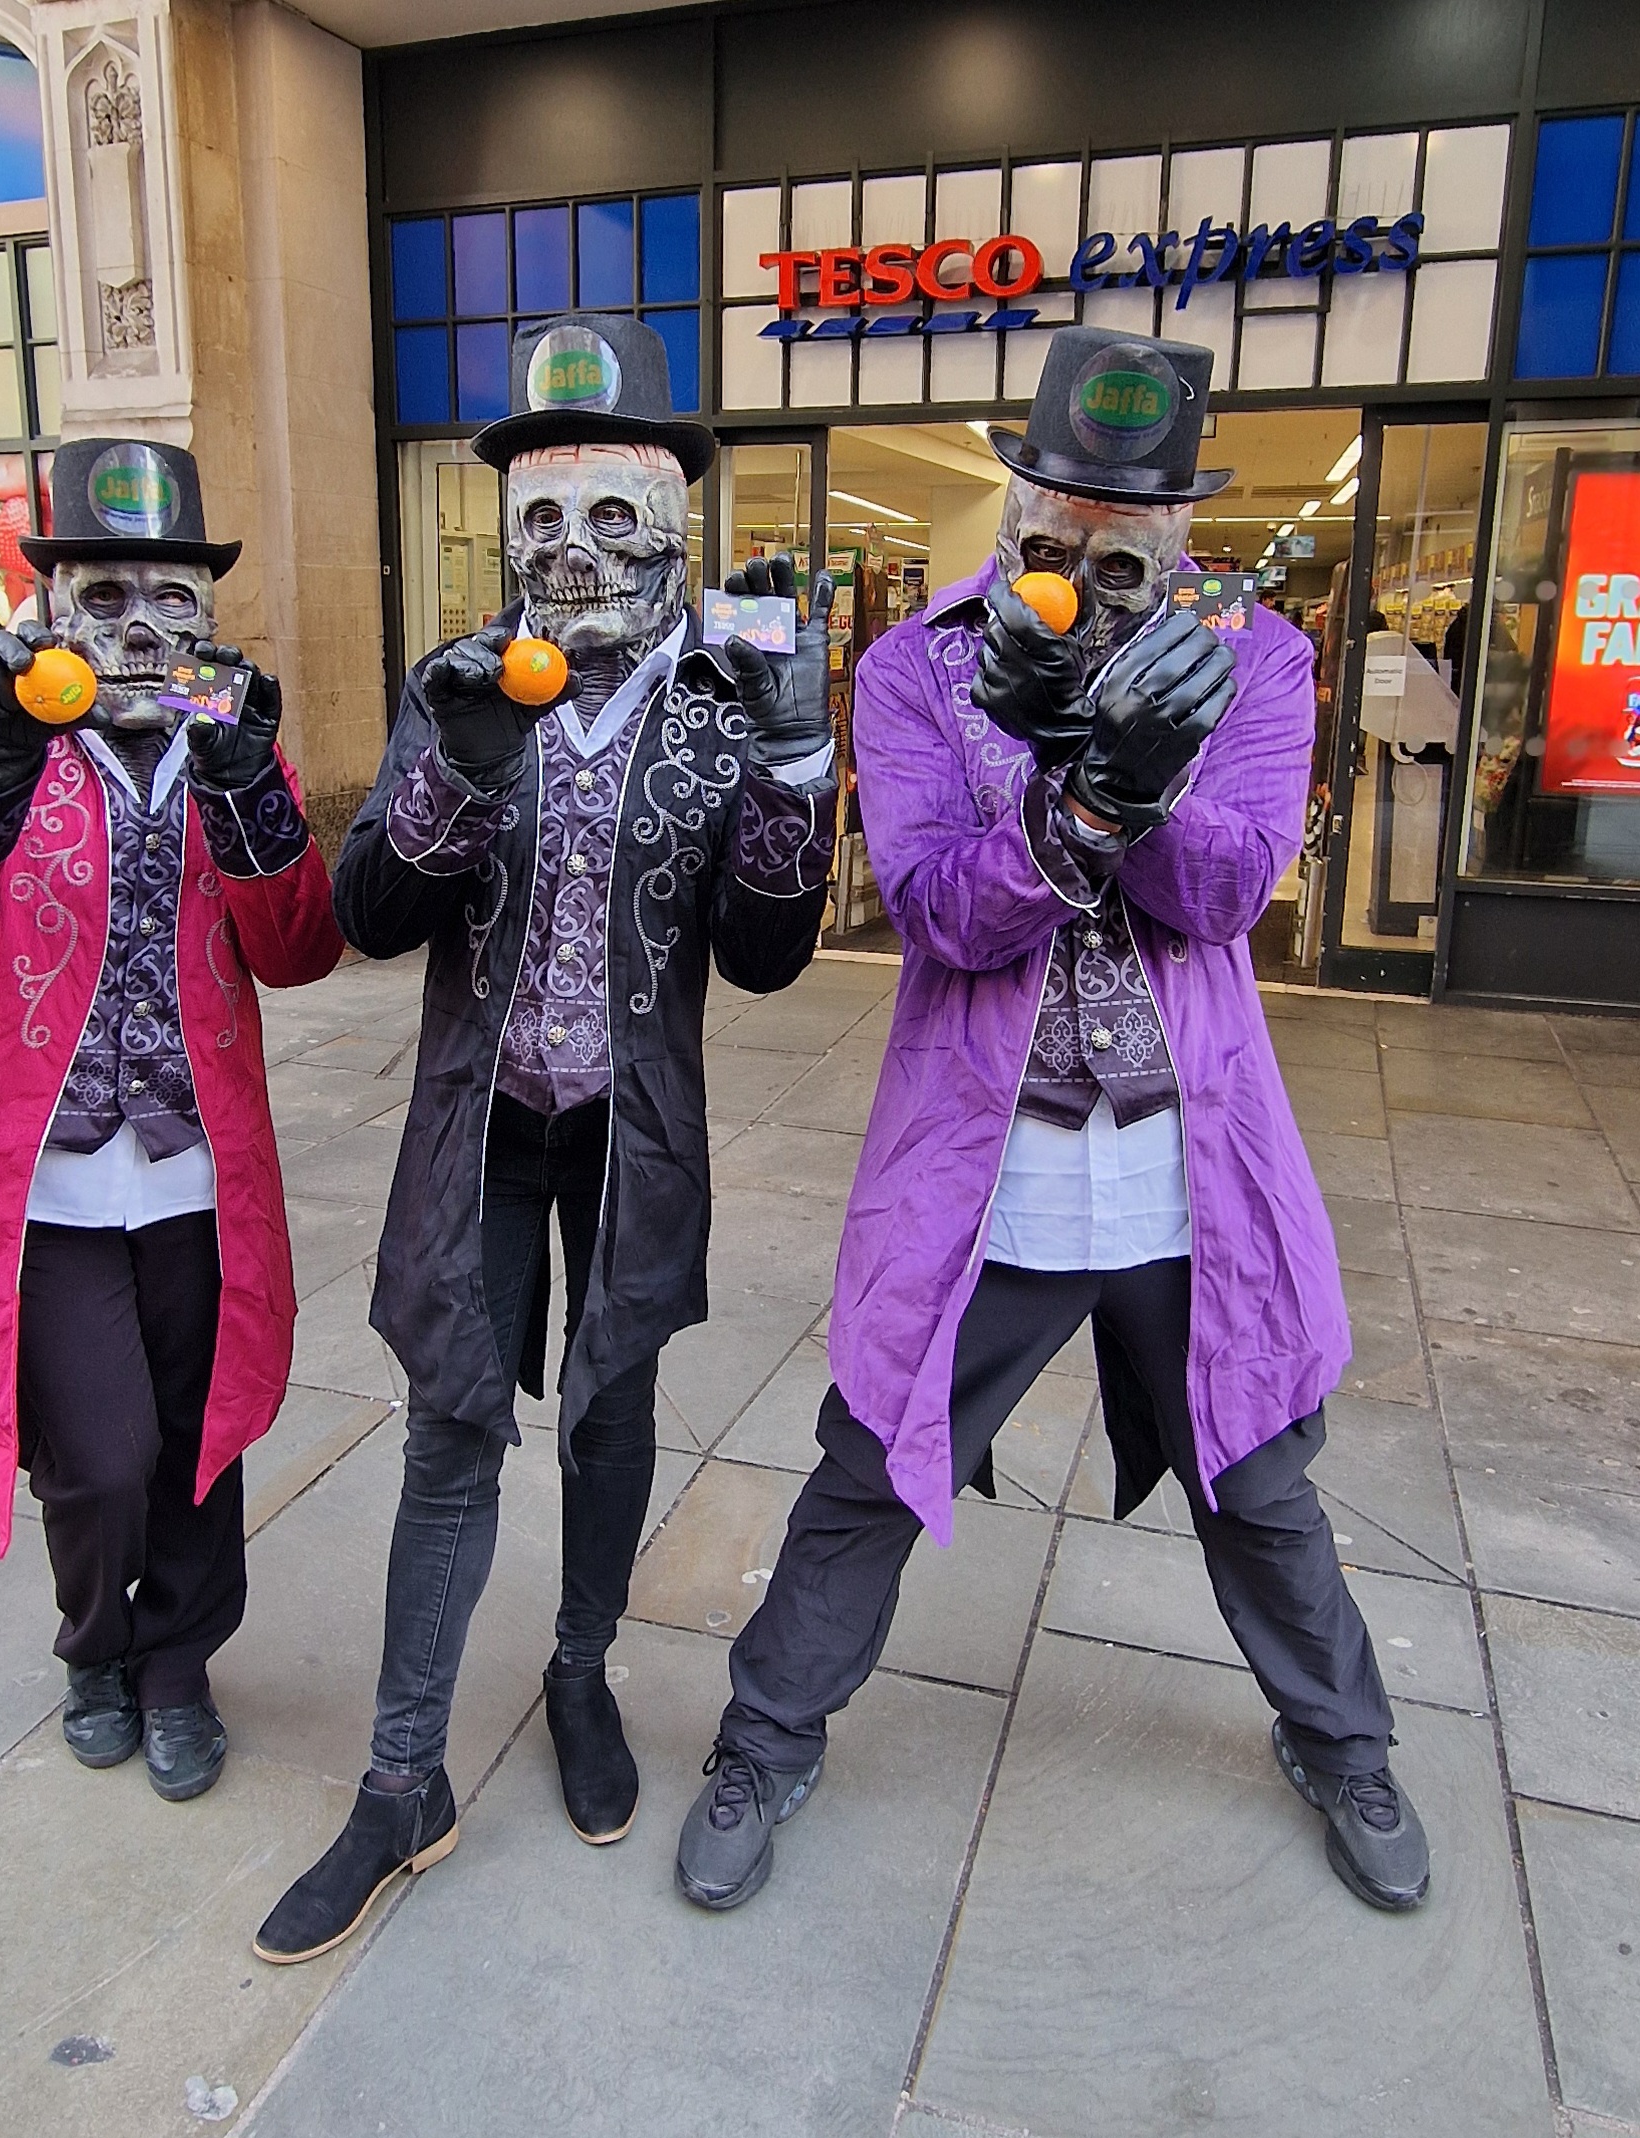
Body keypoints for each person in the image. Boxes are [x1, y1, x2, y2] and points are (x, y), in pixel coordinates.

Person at [673, 327, 1432, 1919]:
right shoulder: (915, 665)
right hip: (985, 1168)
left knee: (1264, 1482)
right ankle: (766, 1734)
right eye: (1050, 528)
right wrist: (1068, 796)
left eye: (1119, 537)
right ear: (1014, 500)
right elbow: (943, 911)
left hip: (1187, 1174)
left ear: (1177, 535)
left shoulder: (1262, 661)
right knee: (869, 1462)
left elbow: (1229, 891)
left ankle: (1346, 1738)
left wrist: (1132, 776)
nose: (1078, 561)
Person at [256, 313, 837, 1965]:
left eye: (609, 521)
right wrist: (452, 767)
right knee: (450, 1425)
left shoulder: (724, 702)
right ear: (501, 537)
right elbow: (368, 910)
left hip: (635, 1131)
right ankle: (397, 1781)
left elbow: (765, 953)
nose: (570, 552)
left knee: (610, 1403)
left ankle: (579, 1665)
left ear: (674, 535)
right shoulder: (459, 685)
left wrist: (798, 758)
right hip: (481, 1125)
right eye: (538, 522)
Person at [0, 439, 342, 1803]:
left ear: (208, 611)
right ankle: (94, 1645)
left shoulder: (227, 741)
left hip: (195, 1175)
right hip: (48, 1189)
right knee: (103, 1455)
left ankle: (181, 1660)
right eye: (109, 590)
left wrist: (255, 789)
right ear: (53, 600)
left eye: (175, 595)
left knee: (199, 1434)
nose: (144, 624)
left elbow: (299, 948)